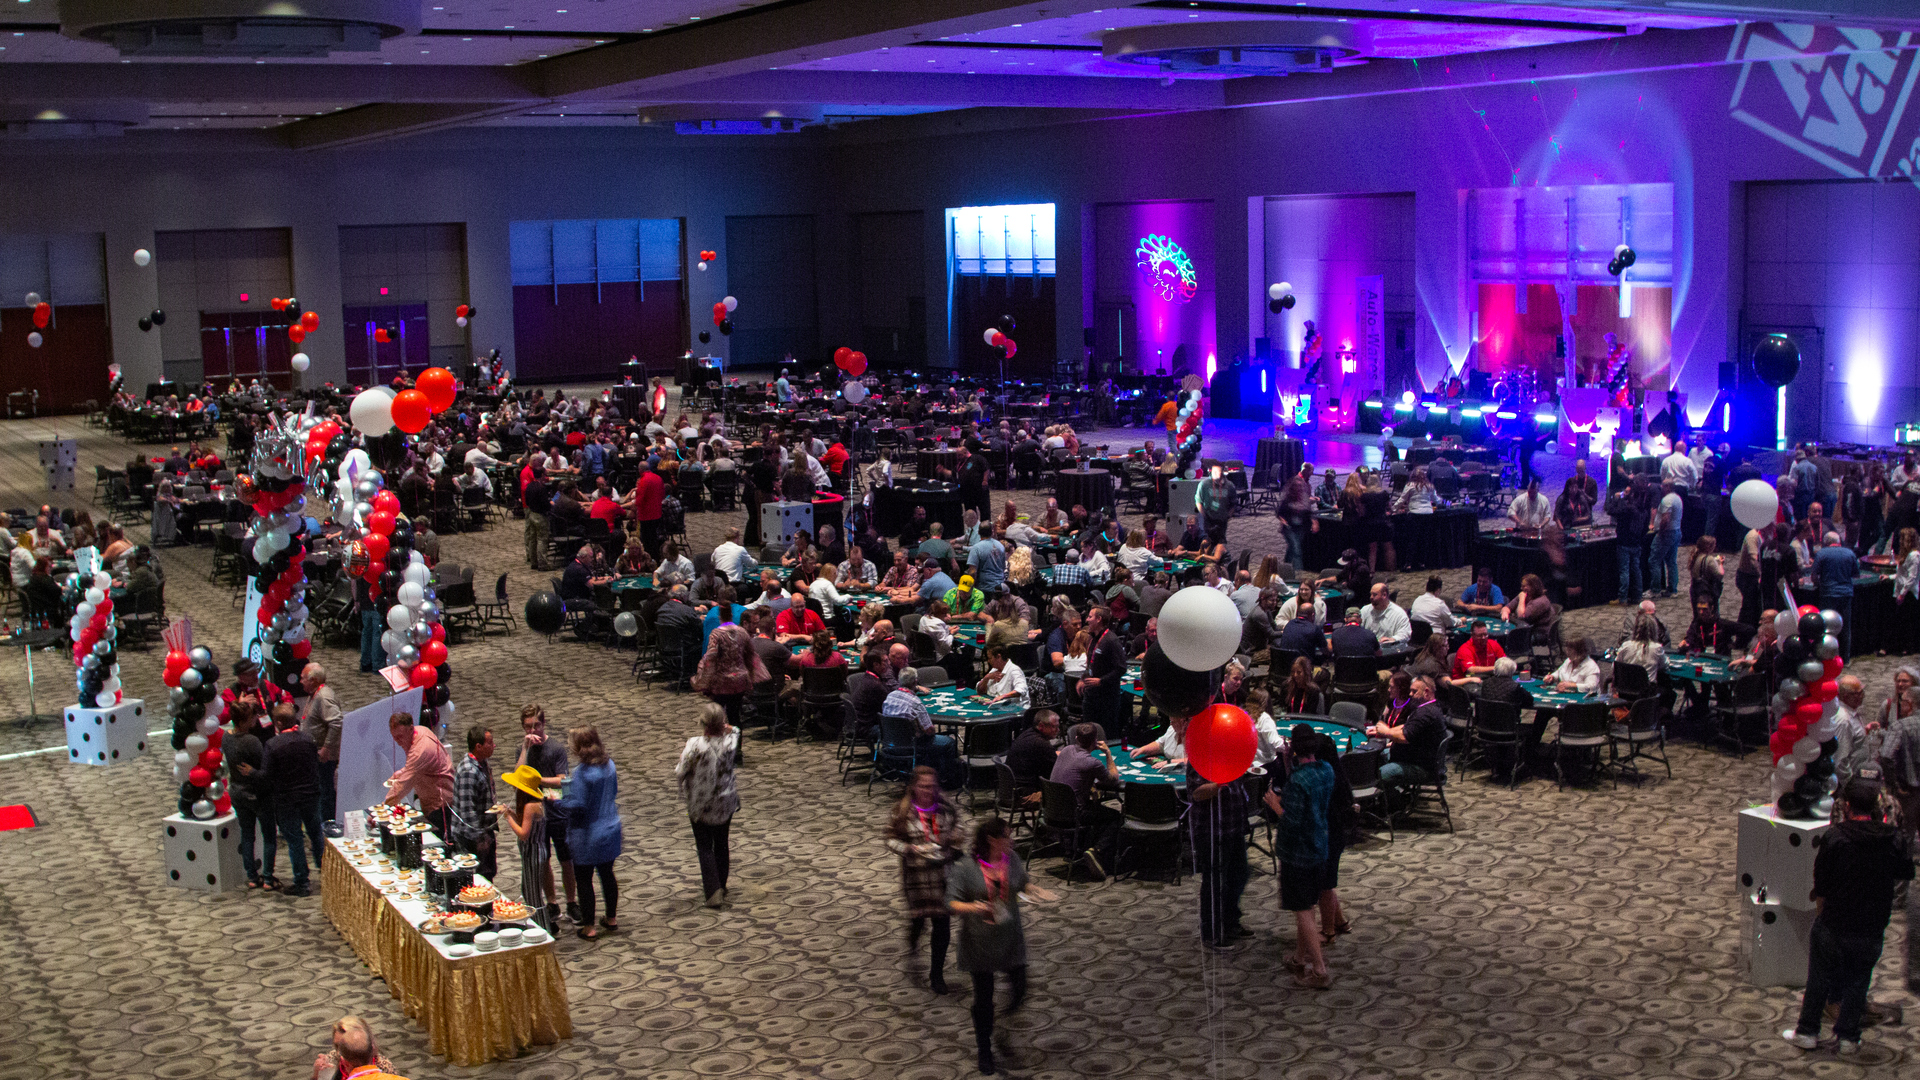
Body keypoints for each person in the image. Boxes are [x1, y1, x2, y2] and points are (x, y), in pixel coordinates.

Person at [1782, 779, 1914, 1055]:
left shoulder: (1835, 837)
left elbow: (1822, 883)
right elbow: (1906, 872)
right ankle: (1848, 1038)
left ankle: (1807, 1032)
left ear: (1848, 805)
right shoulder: (1893, 839)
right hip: (1872, 924)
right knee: (1859, 979)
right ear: (1877, 806)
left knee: (1818, 977)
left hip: (1834, 921)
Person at [948, 817, 1053, 1076]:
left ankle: (1002, 1024)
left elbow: (1022, 882)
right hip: (979, 943)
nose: (1012, 840)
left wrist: (1034, 888)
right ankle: (985, 1050)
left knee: (1020, 989)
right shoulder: (966, 867)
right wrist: (973, 906)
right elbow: (950, 903)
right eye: (1007, 836)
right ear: (992, 840)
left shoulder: (1012, 859)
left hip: (1010, 940)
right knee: (983, 1001)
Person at [1265, 727, 1333, 987]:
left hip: (1297, 854)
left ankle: (1319, 970)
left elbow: (1291, 821)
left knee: (1302, 910)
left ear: (1293, 747)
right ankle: (1298, 957)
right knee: (1308, 907)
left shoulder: (1297, 781)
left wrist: (1275, 804)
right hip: (1319, 847)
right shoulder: (1327, 769)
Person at [887, 766, 961, 995]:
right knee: (919, 920)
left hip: (942, 876)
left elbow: (957, 832)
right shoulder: (902, 812)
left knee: (942, 925)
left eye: (932, 786)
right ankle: (913, 948)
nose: (928, 790)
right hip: (916, 877)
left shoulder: (945, 809)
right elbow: (890, 840)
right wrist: (908, 848)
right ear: (914, 787)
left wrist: (955, 840)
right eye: (923, 786)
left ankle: (936, 974)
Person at [514, 705, 578, 925]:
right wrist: (525, 749)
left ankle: (571, 902)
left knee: (566, 859)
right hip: (536, 816)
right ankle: (552, 903)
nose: (533, 730)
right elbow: (517, 778)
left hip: (557, 812)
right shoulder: (524, 749)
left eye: (537, 725)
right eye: (528, 727)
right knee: (543, 861)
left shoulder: (555, 748)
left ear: (543, 723)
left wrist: (536, 780)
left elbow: (562, 780)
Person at [1188, 742, 1253, 948]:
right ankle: (1211, 933)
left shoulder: (1233, 755)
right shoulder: (1199, 759)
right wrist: (1219, 784)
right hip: (1211, 831)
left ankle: (1231, 922)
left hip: (1234, 827)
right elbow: (1196, 793)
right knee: (1214, 883)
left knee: (1239, 875)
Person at [253, 704, 322, 897]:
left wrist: (252, 773)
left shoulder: (273, 745)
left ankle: (302, 882)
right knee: (316, 834)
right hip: (310, 794)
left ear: (279, 723)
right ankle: (327, 871)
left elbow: (266, 775)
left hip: (286, 800)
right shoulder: (308, 740)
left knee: (295, 841)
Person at [559, 725, 622, 937]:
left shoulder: (583, 774)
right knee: (607, 874)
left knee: (584, 880)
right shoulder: (610, 765)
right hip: (611, 828)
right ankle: (611, 918)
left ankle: (589, 927)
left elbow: (576, 805)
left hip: (587, 835)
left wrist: (558, 798)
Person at [223, 702, 277, 891]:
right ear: (245, 720)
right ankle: (269, 878)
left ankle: (252, 877)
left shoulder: (226, 737)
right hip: (258, 794)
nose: (256, 719)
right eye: (252, 717)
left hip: (237, 792)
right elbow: (265, 769)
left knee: (247, 835)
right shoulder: (251, 741)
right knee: (269, 836)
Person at [500, 760, 556, 936]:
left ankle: (542, 931)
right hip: (534, 851)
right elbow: (526, 825)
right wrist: (512, 814)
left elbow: (523, 833)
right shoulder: (535, 803)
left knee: (533, 897)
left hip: (533, 852)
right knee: (528, 891)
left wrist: (507, 818)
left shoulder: (531, 806)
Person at [885, 667, 964, 789]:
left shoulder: (890, 696)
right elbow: (930, 731)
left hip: (892, 742)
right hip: (914, 744)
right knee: (949, 742)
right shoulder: (915, 702)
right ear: (915, 682)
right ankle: (948, 780)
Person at [383, 712, 455, 839]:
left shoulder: (420, 750)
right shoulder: (421, 730)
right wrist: (402, 772)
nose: (398, 742)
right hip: (434, 798)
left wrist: (383, 809)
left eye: (400, 736)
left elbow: (403, 785)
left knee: (440, 842)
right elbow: (417, 767)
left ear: (411, 728)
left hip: (440, 804)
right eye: (394, 737)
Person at [1371, 675, 1445, 798]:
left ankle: (1395, 802)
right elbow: (1407, 727)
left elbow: (1405, 736)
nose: (1410, 694)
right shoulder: (1428, 708)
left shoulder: (1426, 713)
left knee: (1376, 775)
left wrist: (1386, 731)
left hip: (1422, 768)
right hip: (1415, 760)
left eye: (1414, 691)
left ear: (1426, 692)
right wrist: (1384, 730)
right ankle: (1390, 799)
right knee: (1374, 759)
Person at [448, 725, 499, 881]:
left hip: (483, 832)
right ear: (478, 746)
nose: (494, 746)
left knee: (488, 874)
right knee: (476, 879)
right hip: (470, 839)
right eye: (490, 743)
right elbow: (467, 810)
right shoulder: (468, 771)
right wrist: (480, 838)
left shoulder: (481, 763)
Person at [298, 663, 344, 822]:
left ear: (314, 680)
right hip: (315, 753)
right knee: (321, 789)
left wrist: (326, 748)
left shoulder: (324, 697)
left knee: (325, 791)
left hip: (323, 756)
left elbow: (337, 722)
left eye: (303, 678)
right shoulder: (315, 694)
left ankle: (327, 824)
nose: (300, 681)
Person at [309, 1016, 408, 1080]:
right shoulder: (332, 1059)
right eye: (337, 1045)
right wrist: (316, 1075)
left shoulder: (384, 1065)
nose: (339, 1052)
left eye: (343, 1045)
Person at [1814, 530, 1859, 660]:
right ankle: (1845, 658)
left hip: (1827, 594)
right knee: (1845, 627)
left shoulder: (1821, 553)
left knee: (1825, 627)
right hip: (1845, 594)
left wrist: (1819, 583)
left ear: (1826, 542)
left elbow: (1814, 576)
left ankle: (1825, 656)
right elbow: (1856, 574)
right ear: (1839, 541)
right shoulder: (1850, 553)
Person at [1607, 479, 1652, 604]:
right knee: (1636, 570)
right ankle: (1637, 596)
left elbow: (1610, 511)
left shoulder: (1628, 508)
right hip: (1637, 542)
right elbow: (1645, 527)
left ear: (1632, 494)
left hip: (1624, 542)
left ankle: (1622, 598)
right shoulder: (1643, 507)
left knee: (1624, 571)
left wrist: (1617, 498)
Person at [1831, 676, 1873, 786]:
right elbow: (1840, 759)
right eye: (1858, 693)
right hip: (1850, 783)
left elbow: (1852, 735)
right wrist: (1849, 785)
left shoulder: (1851, 712)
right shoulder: (1844, 719)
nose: (1862, 696)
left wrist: (1865, 730)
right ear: (1846, 696)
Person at [1005, 711, 1059, 791]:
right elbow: (1057, 770)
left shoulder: (1028, 733)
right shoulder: (1041, 744)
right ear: (1041, 725)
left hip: (1013, 785)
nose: (1057, 730)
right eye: (1054, 727)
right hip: (1026, 792)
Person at [1651, 478, 1684, 597]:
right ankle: (1672, 589)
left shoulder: (1667, 500)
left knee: (1654, 560)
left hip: (1667, 533)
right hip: (1676, 531)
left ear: (1668, 487)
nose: (1661, 488)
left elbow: (1665, 519)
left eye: (1663, 486)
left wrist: (1660, 532)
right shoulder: (1677, 498)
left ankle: (1655, 590)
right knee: (1671, 562)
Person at [1359, 581, 1411, 647]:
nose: (1371, 597)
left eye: (1374, 595)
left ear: (1384, 595)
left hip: (1389, 651)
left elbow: (1405, 634)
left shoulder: (1399, 613)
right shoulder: (1365, 610)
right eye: (1371, 594)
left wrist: (1392, 639)